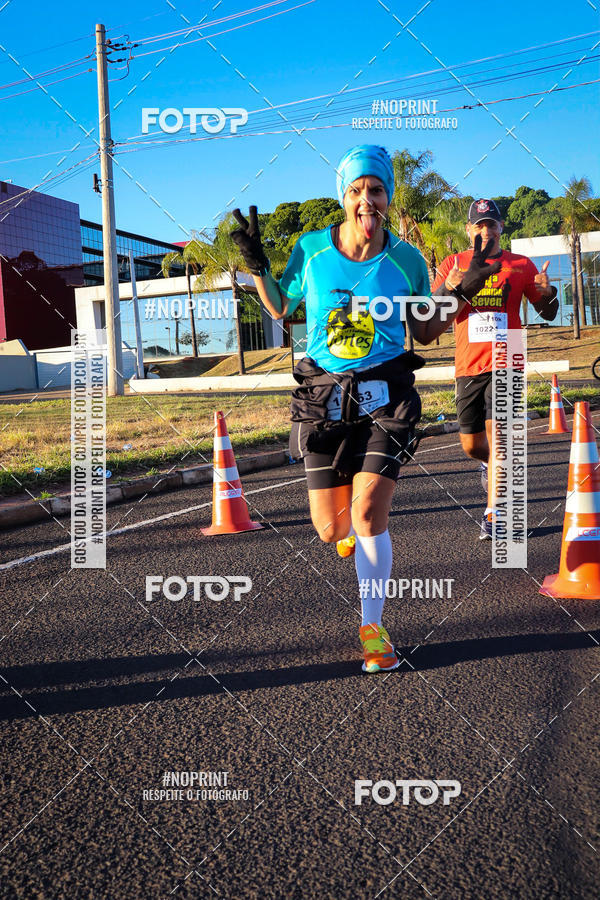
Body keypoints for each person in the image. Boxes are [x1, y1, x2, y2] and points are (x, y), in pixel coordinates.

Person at [231, 146, 495, 672]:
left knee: (370, 511)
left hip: (387, 394)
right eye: (356, 190)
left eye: (376, 190)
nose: (366, 200)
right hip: (323, 396)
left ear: (388, 197)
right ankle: (347, 532)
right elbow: (282, 308)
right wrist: (258, 268)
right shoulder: (311, 250)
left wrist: (458, 298)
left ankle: (372, 627)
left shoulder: (407, 260)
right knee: (330, 529)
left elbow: (423, 330)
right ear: (343, 197)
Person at [431, 198, 558, 539]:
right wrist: (450, 287)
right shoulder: (453, 263)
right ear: (469, 229)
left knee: (501, 438)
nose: (486, 229)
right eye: (479, 224)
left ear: (501, 226)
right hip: (468, 364)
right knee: (472, 445)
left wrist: (548, 294)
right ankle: (491, 466)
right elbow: (435, 315)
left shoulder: (520, 265)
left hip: (508, 359)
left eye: (492, 223)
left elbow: (547, 312)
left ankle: (495, 513)